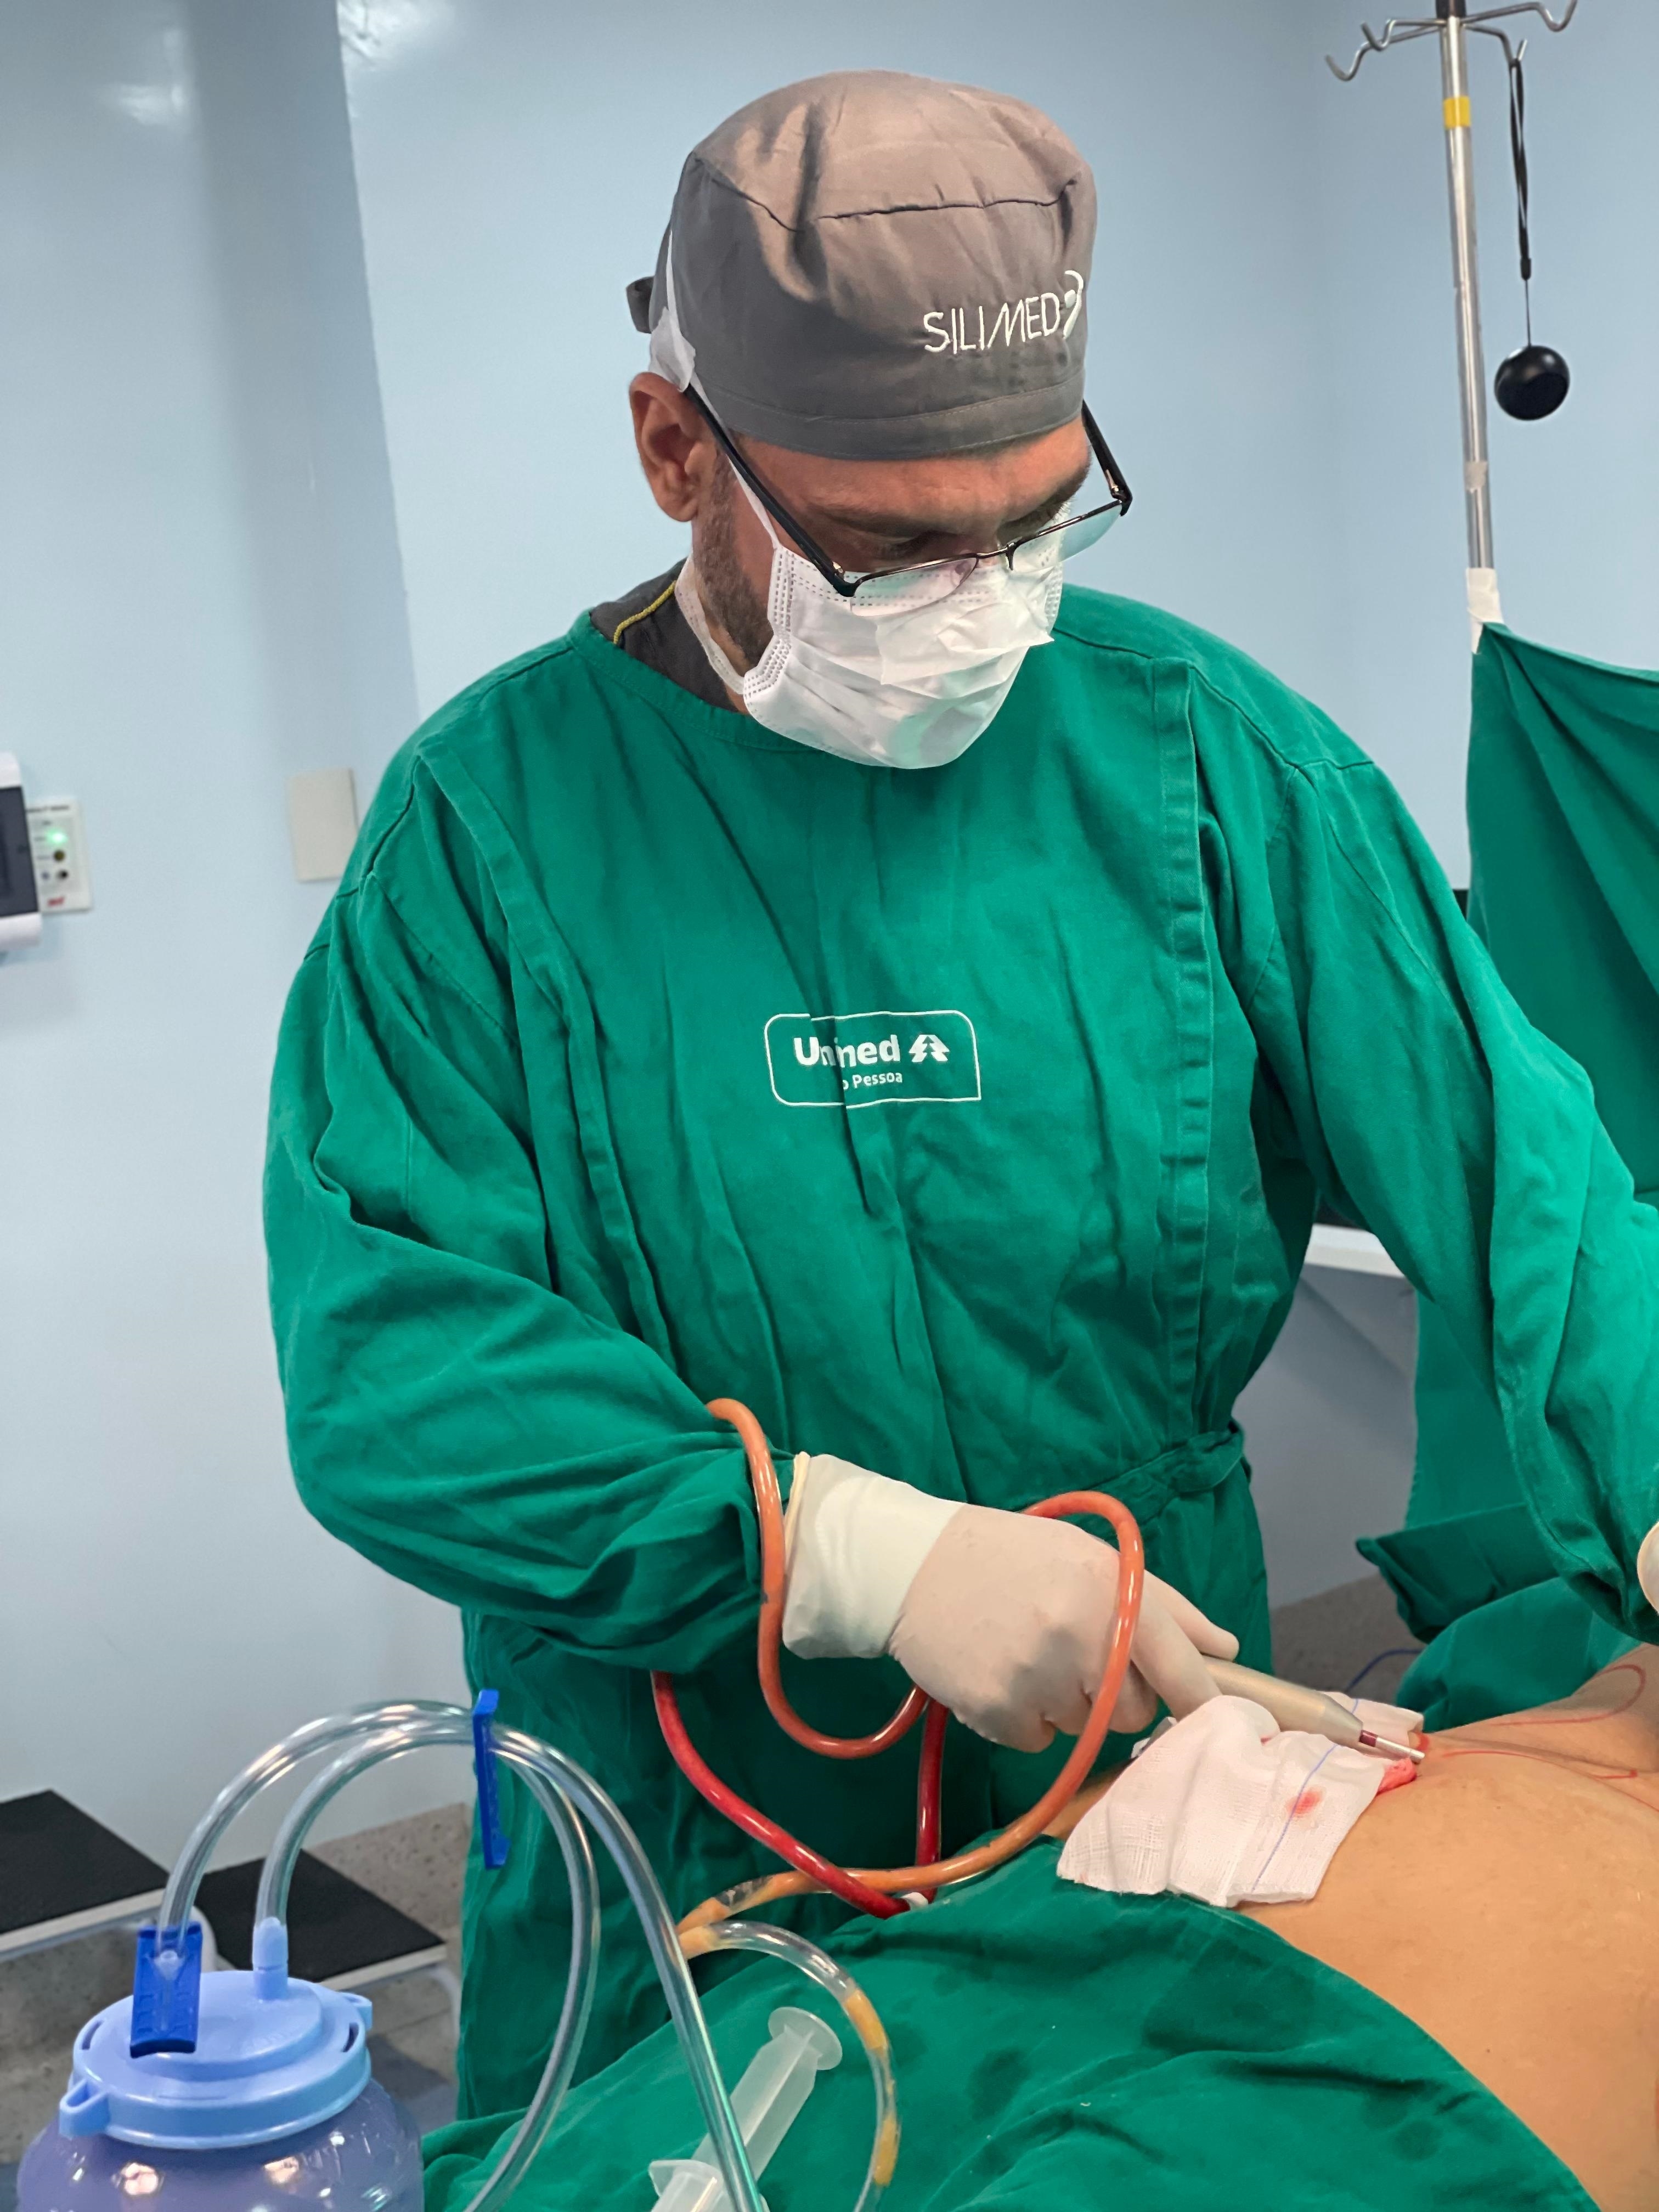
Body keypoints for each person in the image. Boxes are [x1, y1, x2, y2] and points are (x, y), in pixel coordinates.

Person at [263, 69, 1659, 2113]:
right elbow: (393, 1371)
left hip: (1154, 1754)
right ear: (675, 448)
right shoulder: (484, 836)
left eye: (1037, 524)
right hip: (686, 1826)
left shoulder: (1200, 753)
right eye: (893, 551)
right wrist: (842, 1552)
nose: (984, 607)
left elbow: (1520, 1176)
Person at [420, 1652, 1659, 2212]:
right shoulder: (1550, 1676)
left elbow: (1537, 1232)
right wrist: (850, 1550)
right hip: (962, 1974)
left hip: (1334, 2090)